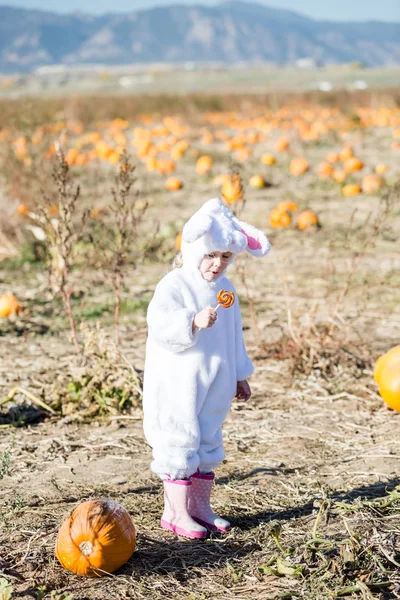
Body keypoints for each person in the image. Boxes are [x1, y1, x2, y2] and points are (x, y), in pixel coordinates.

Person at [143, 197, 271, 539]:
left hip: (215, 379)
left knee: (208, 438)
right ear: (194, 250)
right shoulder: (175, 284)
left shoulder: (226, 290)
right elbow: (159, 324)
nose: (217, 264)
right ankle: (176, 513)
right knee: (179, 439)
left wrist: (241, 373)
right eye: (211, 255)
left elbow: (233, 333)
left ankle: (200, 509)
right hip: (179, 380)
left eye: (225, 257)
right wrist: (192, 321)